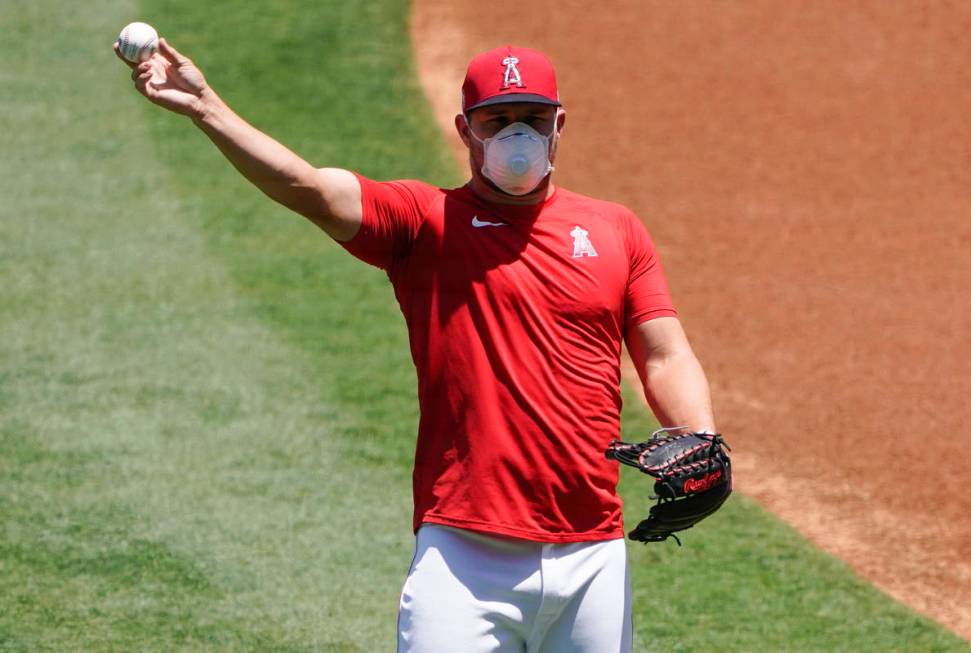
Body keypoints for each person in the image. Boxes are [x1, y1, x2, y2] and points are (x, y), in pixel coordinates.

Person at [114, 38, 716, 653]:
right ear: (465, 129)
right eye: (497, 120)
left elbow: (663, 352)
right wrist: (206, 107)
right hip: (464, 556)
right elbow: (306, 186)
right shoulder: (424, 222)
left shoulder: (615, 229)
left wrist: (701, 437)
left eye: (532, 119)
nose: (517, 135)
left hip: (593, 551)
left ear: (559, 123)